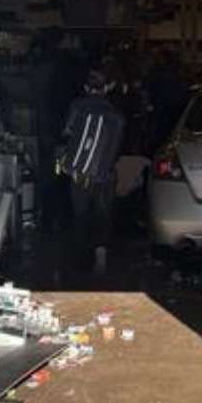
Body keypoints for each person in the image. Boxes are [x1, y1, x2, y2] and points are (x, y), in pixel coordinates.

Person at [57, 69, 125, 278]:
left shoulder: (78, 107)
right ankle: (101, 254)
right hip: (104, 174)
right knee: (102, 215)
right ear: (107, 88)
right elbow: (118, 147)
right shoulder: (117, 115)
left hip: (80, 173)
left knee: (80, 216)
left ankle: (80, 260)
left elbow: (66, 133)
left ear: (86, 88)